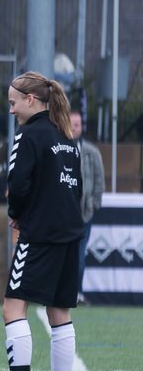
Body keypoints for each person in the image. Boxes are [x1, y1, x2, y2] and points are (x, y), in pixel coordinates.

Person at [0, 73, 84, 371]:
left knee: (12, 308)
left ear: (31, 101)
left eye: (13, 103)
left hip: (39, 235)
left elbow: (18, 184)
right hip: (71, 234)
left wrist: (17, 215)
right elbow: (76, 189)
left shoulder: (28, 136)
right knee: (60, 314)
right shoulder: (67, 138)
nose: (11, 110)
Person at [70, 109, 105, 305]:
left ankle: (78, 293)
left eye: (77, 125)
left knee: (79, 255)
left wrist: (93, 205)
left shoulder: (92, 152)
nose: (75, 128)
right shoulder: (60, 148)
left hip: (84, 214)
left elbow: (99, 182)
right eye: (72, 124)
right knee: (62, 255)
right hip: (64, 214)